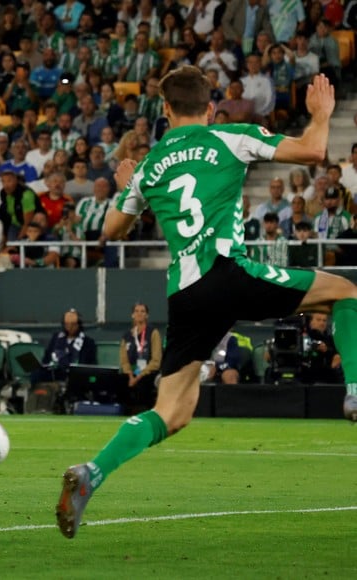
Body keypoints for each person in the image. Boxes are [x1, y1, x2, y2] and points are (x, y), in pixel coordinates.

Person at [57, 68, 357, 540]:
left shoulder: (153, 162)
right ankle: (355, 389)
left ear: (167, 111)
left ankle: (92, 472)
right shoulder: (230, 136)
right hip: (228, 270)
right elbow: (313, 151)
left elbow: (111, 232)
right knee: (345, 291)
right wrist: (321, 115)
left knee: (172, 412)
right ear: (211, 108)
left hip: (186, 293)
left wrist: (127, 185)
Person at [118, 303, 162, 413]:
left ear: (147, 315)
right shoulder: (127, 335)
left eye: (142, 311)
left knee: (143, 384)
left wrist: (139, 376)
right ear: (132, 315)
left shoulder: (153, 333)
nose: (139, 314)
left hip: (148, 372)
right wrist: (130, 375)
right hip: (132, 372)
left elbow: (156, 360)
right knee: (119, 381)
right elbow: (124, 360)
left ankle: (144, 412)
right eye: (136, 311)